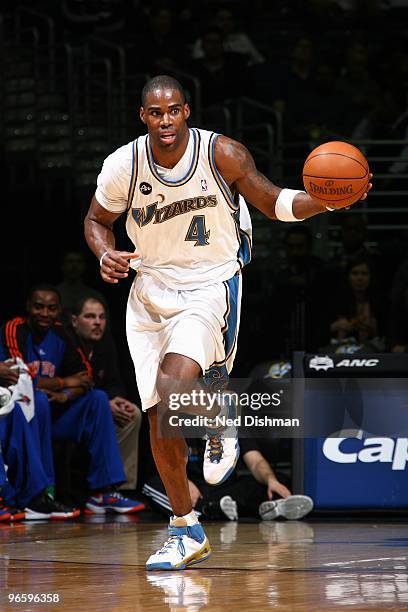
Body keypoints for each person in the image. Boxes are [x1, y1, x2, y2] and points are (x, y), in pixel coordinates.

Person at [84, 75, 371, 570]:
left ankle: (217, 418)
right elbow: (96, 219)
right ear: (143, 117)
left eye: (173, 111)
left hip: (209, 282)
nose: (166, 120)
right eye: (156, 113)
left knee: (174, 387)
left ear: (186, 111)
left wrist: (328, 199)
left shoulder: (224, 155)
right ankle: (185, 530)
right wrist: (105, 252)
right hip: (148, 290)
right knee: (159, 419)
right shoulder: (122, 165)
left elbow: (277, 202)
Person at [0, 285, 145, 515]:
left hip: (58, 413)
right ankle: (41, 495)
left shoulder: (60, 333)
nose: (45, 314)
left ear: (59, 312)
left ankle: (102, 492)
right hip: (27, 413)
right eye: (39, 307)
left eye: (51, 308)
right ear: (28, 307)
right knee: (37, 398)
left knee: (97, 399)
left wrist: (64, 394)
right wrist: (64, 383)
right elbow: (18, 378)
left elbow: (85, 378)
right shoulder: (14, 329)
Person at [143, 437, 313, 522]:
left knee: (277, 479)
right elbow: (167, 460)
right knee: (152, 485)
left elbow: (256, 462)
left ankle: (270, 505)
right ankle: (206, 512)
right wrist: (182, 482)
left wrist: (271, 480)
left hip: (225, 491)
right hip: (193, 488)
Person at [69, 295, 142, 490]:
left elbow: (115, 382)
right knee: (101, 403)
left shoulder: (105, 343)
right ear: (74, 321)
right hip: (71, 410)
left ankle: (121, 488)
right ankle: (100, 487)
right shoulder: (66, 343)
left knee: (132, 414)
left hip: (99, 405)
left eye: (101, 317)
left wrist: (115, 401)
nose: (97, 323)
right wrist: (104, 404)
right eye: (90, 317)